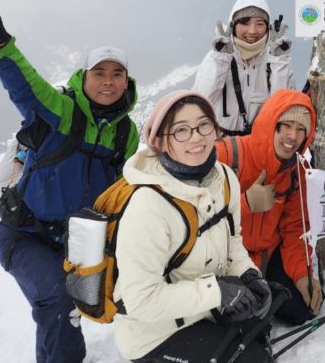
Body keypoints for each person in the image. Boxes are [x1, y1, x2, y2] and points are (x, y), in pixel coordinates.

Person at [0, 0, 138, 363]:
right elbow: (25, 85)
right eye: (99, 72)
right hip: (24, 236)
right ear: (83, 77)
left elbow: (132, 187)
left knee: (136, 283)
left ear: (126, 81)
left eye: (117, 73)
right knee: (59, 298)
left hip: (81, 244)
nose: (108, 81)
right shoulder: (61, 111)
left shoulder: (126, 133)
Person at [113, 91, 277, 362]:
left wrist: (249, 275)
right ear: (160, 142)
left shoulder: (224, 178)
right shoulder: (147, 205)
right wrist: (218, 291)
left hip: (202, 309)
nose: (196, 137)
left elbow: (232, 241)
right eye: (180, 130)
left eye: (203, 124)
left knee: (261, 322)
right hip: (155, 334)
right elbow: (141, 300)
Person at [215, 89, 322, 325]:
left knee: (301, 309)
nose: (292, 135)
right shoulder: (227, 155)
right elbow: (196, 213)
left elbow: (295, 228)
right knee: (245, 324)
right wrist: (245, 203)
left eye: (301, 129)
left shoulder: (296, 172)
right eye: (285, 125)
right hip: (224, 262)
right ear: (270, 122)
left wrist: (302, 275)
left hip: (266, 256)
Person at [194, 0, 293, 135]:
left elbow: (283, 109)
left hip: (258, 145)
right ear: (232, 26)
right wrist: (222, 58)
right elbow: (202, 100)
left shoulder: (276, 60)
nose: (252, 31)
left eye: (260, 24)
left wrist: (279, 63)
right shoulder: (217, 56)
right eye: (245, 23)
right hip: (220, 143)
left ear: (268, 28)